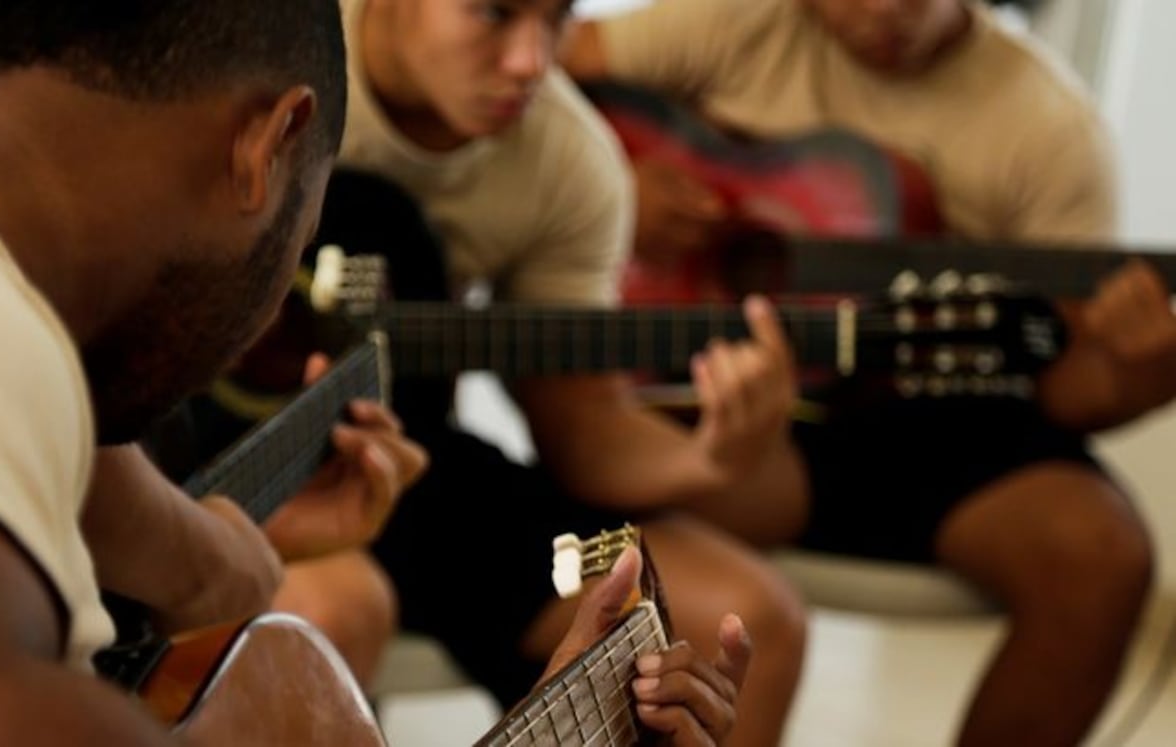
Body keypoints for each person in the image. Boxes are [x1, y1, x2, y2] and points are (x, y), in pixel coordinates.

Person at [0, 1, 750, 744]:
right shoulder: (4, 336)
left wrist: (212, 557)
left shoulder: (32, 353)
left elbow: (84, 468)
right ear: (268, 148)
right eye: (300, 243)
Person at [181, 1, 809, 744]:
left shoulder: (570, 160)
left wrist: (707, 456)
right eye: (494, 13)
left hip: (401, 453)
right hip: (200, 463)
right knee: (331, 611)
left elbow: (584, 425)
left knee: (746, 614)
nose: (531, 61)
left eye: (557, 19)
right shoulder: (244, 58)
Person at [563, 0, 1176, 744]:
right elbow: (530, 75)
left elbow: (1064, 387)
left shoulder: (1051, 129)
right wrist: (616, 181)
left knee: (1101, 555)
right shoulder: (734, 21)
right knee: (633, 477)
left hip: (937, 423)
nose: (886, 8)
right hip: (722, 390)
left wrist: (1137, 378)